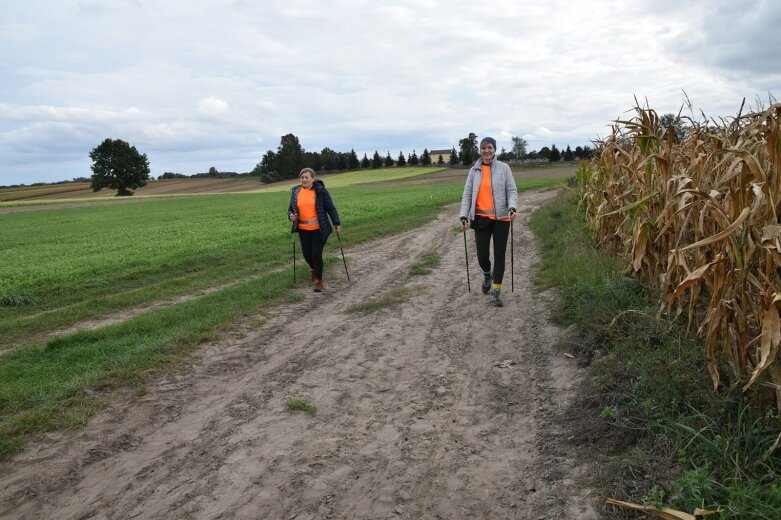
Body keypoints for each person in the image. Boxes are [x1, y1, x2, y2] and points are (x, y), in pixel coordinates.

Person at [459, 136, 517, 307]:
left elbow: (512, 191)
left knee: (499, 255)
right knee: (482, 256)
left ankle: (496, 291)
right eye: (484, 148)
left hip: (502, 219)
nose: (487, 150)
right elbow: (467, 195)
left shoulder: (504, 168)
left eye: (490, 147)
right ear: (480, 150)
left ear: (495, 150)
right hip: (481, 220)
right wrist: (463, 216)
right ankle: (487, 275)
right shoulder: (474, 171)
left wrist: (512, 207)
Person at [288, 168, 342, 292]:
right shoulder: (296, 191)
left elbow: (331, 208)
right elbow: (290, 209)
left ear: (313, 178)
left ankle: (318, 281)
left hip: (319, 229)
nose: (304, 179)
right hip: (303, 229)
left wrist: (336, 223)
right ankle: (313, 269)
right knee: (307, 255)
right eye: (302, 177)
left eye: (307, 177)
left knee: (316, 254)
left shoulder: (321, 191)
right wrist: (291, 216)